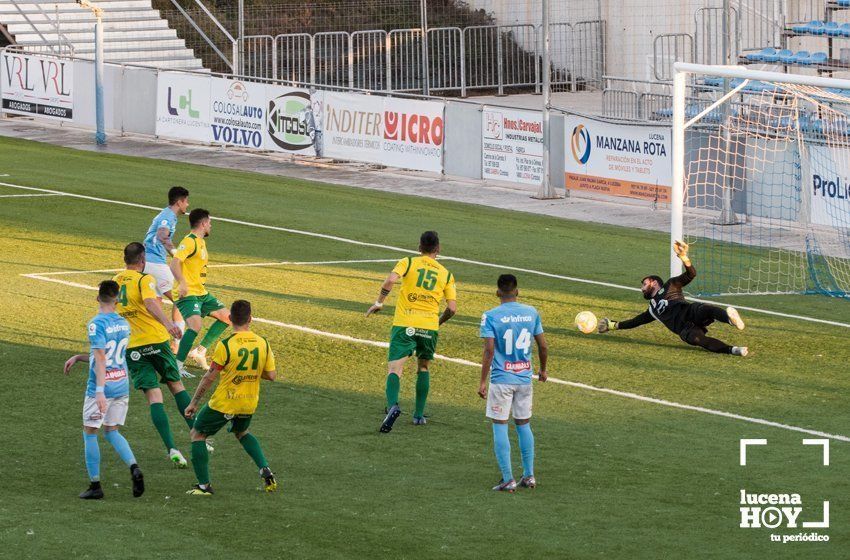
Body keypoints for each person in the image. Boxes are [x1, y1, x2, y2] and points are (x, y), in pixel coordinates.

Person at [114, 241, 202, 467]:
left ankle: (172, 448)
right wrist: (168, 325)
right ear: (142, 260)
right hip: (155, 340)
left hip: (132, 347)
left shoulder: (115, 281)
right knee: (176, 386)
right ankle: (197, 434)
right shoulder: (145, 279)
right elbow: (151, 304)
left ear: (125, 260)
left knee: (154, 397)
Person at [365, 231, 457, 433]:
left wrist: (379, 302)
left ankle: (393, 406)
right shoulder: (446, 274)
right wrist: (437, 323)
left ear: (419, 247)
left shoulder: (408, 262)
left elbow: (390, 280)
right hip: (429, 326)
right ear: (438, 249)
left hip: (405, 323)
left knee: (394, 369)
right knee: (423, 368)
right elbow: (452, 308)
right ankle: (418, 416)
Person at [184, 300, 279, 495]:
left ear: (230, 319)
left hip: (225, 402)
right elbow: (271, 375)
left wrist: (194, 403)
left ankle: (204, 486)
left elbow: (209, 377)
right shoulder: (263, 342)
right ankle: (265, 469)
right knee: (242, 433)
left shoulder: (225, 345)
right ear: (250, 319)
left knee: (197, 434)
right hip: (249, 402)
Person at [63, 281, 144, 500]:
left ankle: (95, 485)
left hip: (102, 387)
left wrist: (99, 391)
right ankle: (134, 466)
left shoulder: (96, 324)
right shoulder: (124, 323)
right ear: (117, 299)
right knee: (112, 431)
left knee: (90, 432)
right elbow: (108, 353)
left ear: (97, 298)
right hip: (121, 383)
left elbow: (101, 357)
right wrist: (80, 357)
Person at [598, 241, 748, 356]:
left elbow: (691, 274)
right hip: (684, 329)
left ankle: (731, 319)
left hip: (689, 312)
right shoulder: (652, 310)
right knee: (698, 340)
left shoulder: (671, 285)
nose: (642, 288)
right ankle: (734, 350)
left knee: (706, 309)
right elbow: (635, 322)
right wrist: (612, 325)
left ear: (654, 282)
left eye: (644, 284)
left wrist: (683, 256)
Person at [478, 274, 548, 492]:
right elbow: (543, 346)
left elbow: (489, 350)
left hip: (501, 381)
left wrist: (482, 381)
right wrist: (543, 370)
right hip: (524, 379)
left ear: (498, 292)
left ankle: (508, 479)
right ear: (517, 291)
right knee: (523, 425)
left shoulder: (490, 316)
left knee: (500, 425)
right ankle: (529, 476)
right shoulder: (531, 312)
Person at [170, 208, 231, 376]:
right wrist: (182, 283)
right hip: (188, 294)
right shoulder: (189, 241)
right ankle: (177, 365)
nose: (211, 226)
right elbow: (174, 263)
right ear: (203, 223)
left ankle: (200, 351)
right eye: (209, 223)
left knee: (228, 317)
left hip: (201, 293)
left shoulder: (201, 242)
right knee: (195, 326)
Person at [143, 186, 190, 337]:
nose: (187, 205)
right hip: (154, 263)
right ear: (179, 202)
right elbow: (163, 236)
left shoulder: (167, 215)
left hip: (146, 262)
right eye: (186, 201)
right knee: (182, 299)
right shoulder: (168, 216)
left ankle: (153, 338)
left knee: (155, 302)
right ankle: (177, 344)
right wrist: (177, 255)